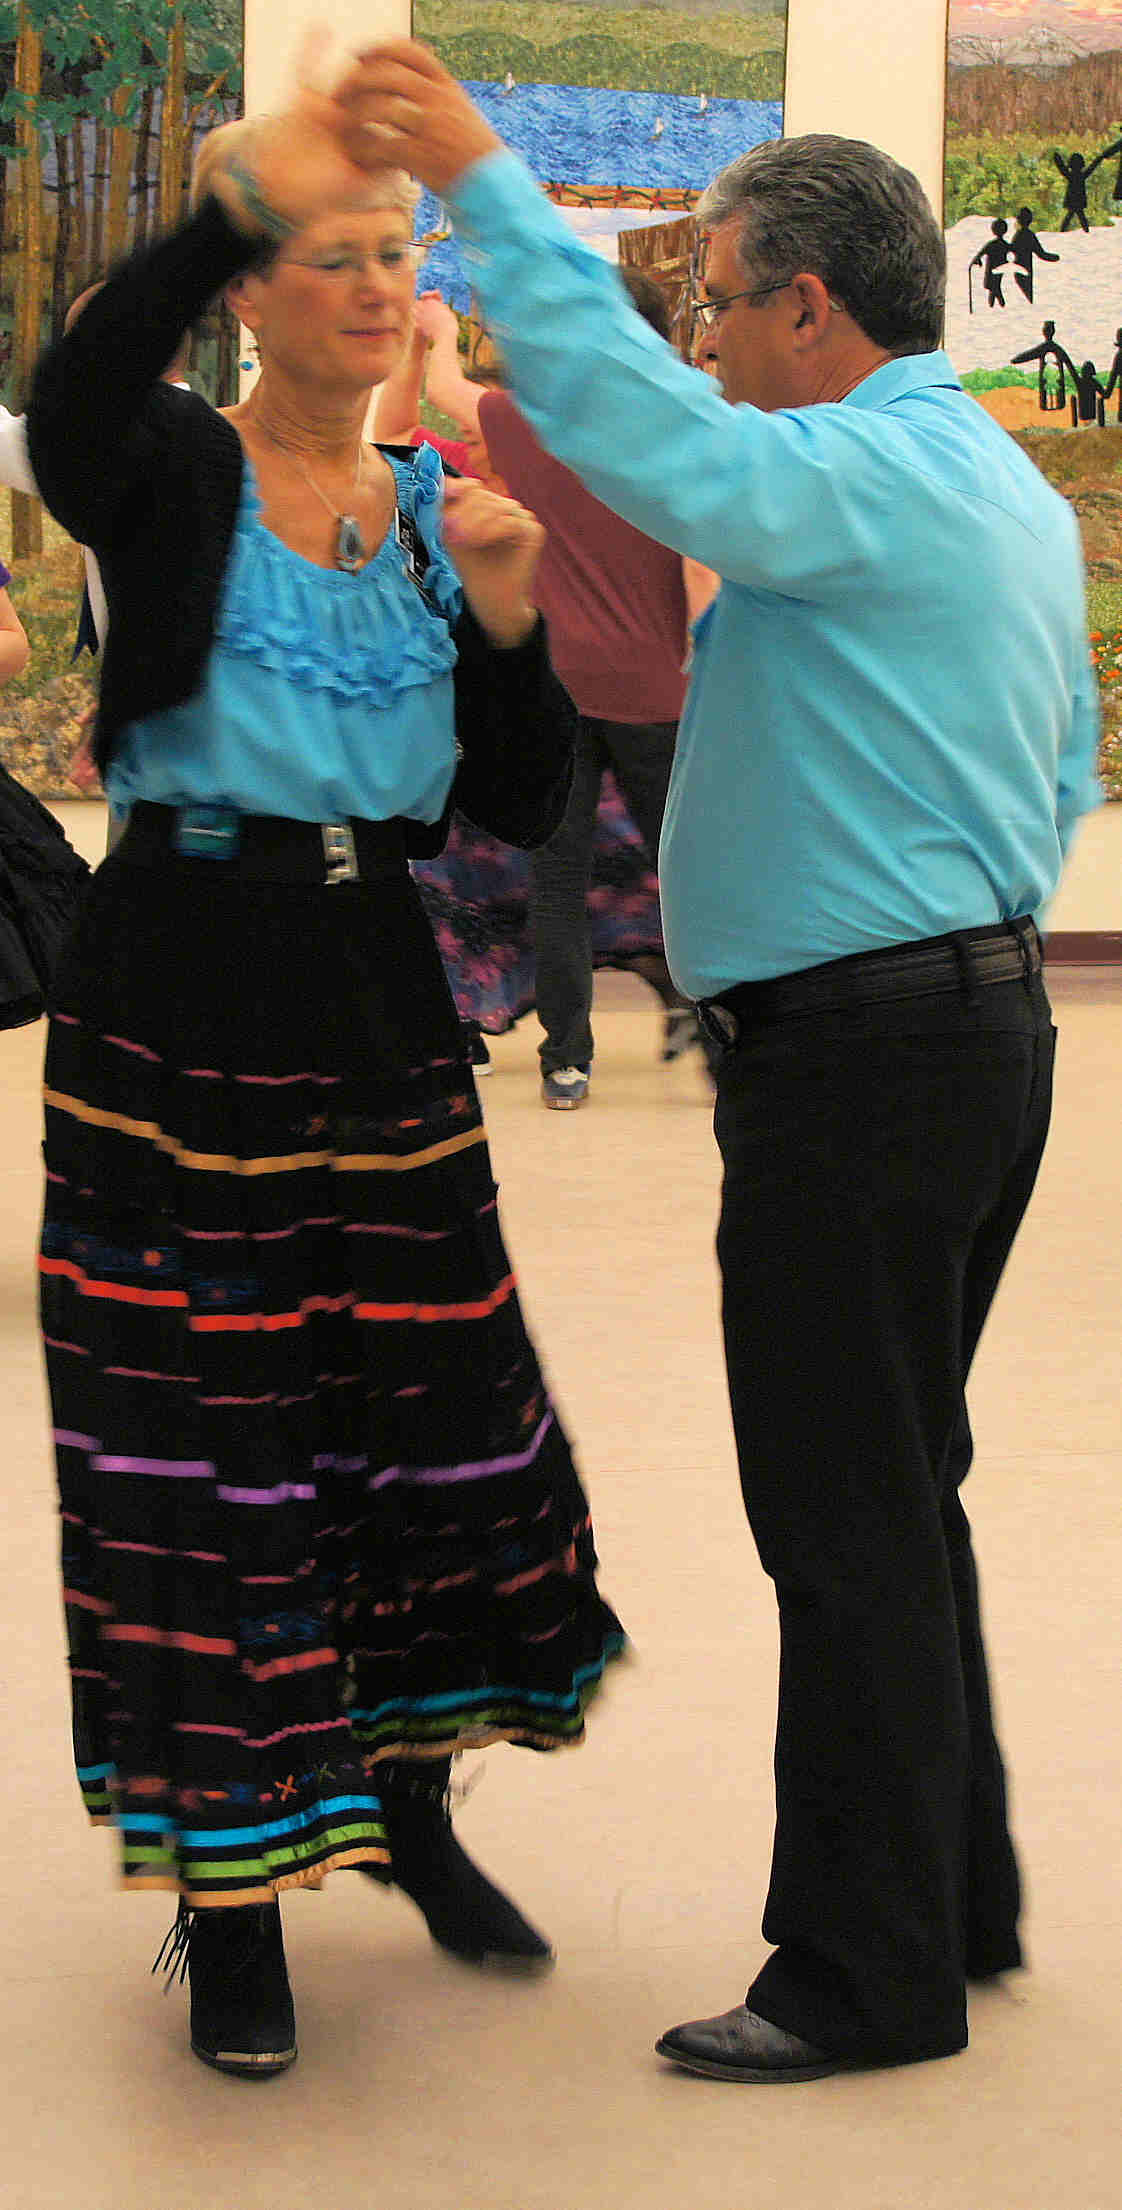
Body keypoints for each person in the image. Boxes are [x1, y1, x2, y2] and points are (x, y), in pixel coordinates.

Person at [347, 44, 1102, 2081]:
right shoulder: (988, 488)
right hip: (966, 1030)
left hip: (867, 1066)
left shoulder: (860, 475)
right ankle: (957, 1893)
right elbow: (1066, 775)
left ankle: (863, 1977)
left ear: (807, 304)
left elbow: (633, 432)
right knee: (899, 1491)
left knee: (845, 1517)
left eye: (720, 297)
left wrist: (489, 180)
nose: (702, 335)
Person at [27, 96, 624, 2082]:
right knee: (210, 1457)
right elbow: (71, 396)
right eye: (338, 250)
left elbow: (519, 805)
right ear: (254, 285)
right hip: (177, 991)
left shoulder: (446, 499)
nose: (385, 285)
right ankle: (233, 1901)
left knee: (426, 1432)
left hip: (373, 1000)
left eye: (400, 251)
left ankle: (415, 1807)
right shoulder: (174, 469)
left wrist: (521, 619)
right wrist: (222, 201)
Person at [378, 284, 718, 1105]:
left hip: (559, 686)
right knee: (696, 877)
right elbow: (701, 572)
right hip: (654, 689)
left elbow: (443, 395)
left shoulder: (532, 424)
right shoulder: (681, 429)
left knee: (556, 883)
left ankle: (567, 1060)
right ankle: (721, 1040)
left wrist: (433, 333)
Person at [1009, 207, 1059, 304]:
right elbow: (1041, 253)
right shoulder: (1029, 235)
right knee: (1027, 296)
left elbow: (1011, 249)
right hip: (1027, 268)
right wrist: (1055, 258)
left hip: (1017, 268)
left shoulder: (1017, 235)